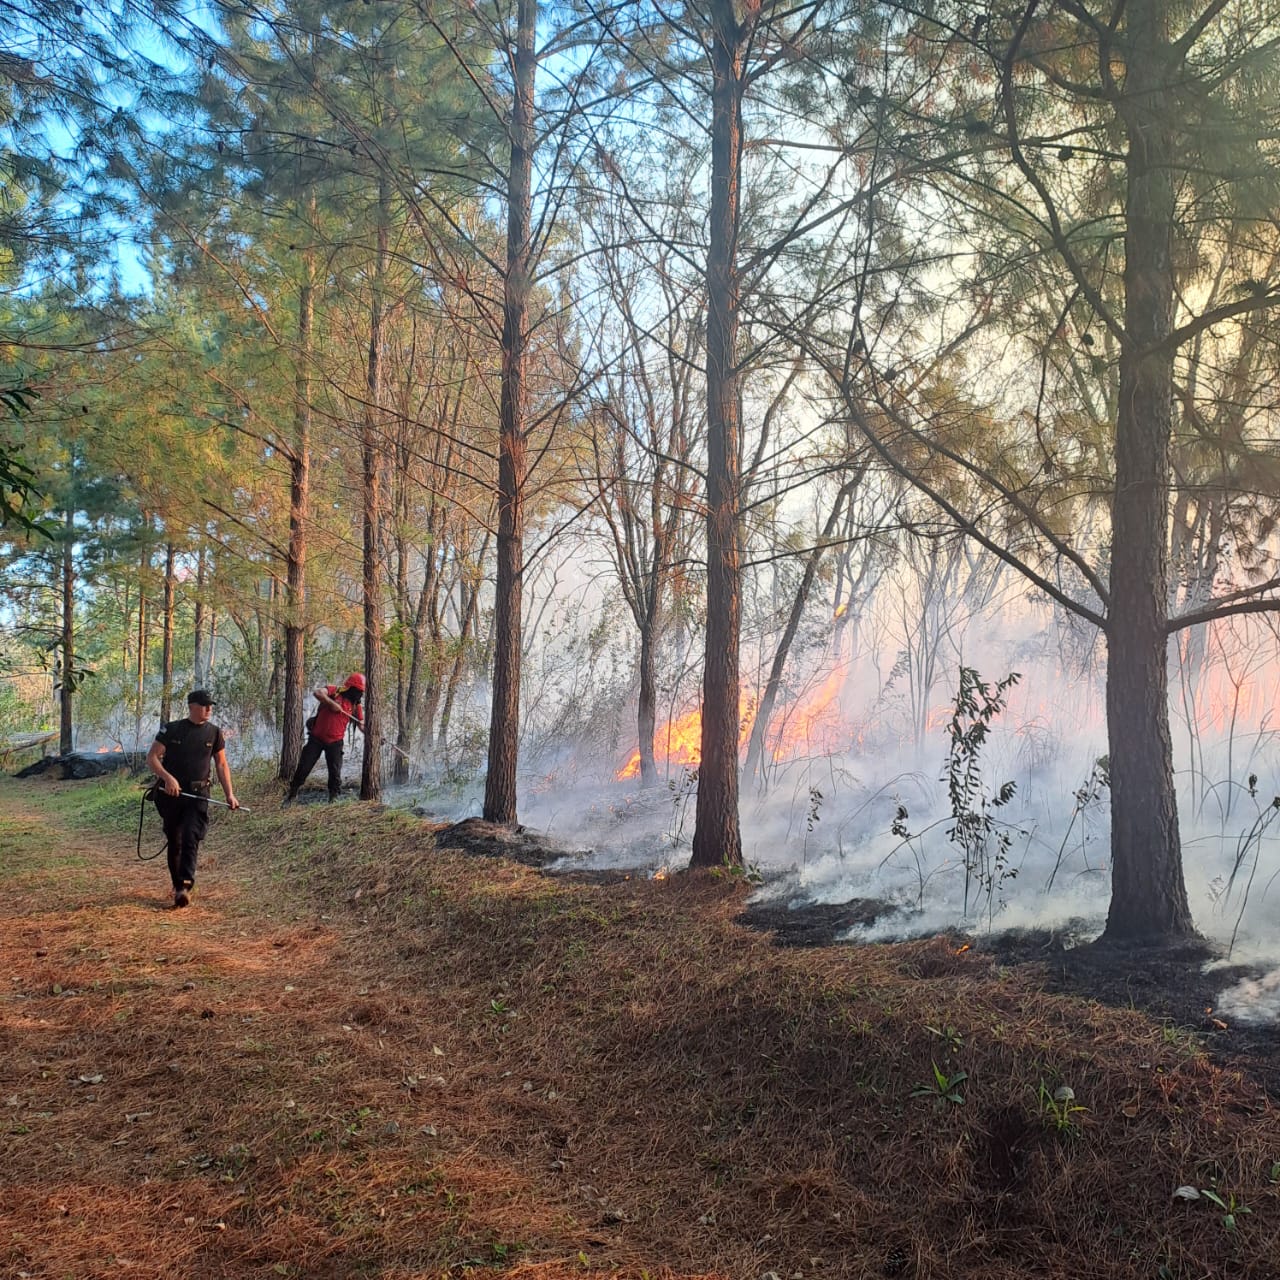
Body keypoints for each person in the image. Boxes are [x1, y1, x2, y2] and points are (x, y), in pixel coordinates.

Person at [146, 690, 239, 909]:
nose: (209, 709)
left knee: (191, 837)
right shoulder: (172, 729)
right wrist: (167, 778)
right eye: (204, 705)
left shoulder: (214, 733)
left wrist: (230, 794)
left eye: (211, 705)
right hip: (172, 796)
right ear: (191, 706)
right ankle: (178, 886)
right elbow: (152, 757)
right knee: (175, 839)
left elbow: (221, 764)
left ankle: (186, 885)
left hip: (198, 795)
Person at [282, 673, 365, 805]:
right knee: (304, 767)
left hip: (336, 743)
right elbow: (318, 693)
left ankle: (333, 799)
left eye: (361, 692)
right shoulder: (335, 691)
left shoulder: (356, 705)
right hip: (316, 739)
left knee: (335, 773)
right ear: (350, 687)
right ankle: (292, 795)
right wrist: (332, 704)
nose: (359, 694)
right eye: (358, 690)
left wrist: (373, 735)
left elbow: (361, 724)